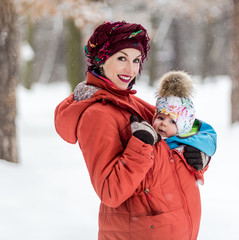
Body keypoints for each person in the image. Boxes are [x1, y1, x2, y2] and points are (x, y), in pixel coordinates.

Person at [54, 21, 216, 240]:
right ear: (101, 59)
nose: (131, 70)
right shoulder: (97, 115)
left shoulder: (130, 102)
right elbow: (111, 191)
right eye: (122, 58)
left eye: (136, 60)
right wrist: (141, 144)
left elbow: (182, 133)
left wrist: (198, 156)